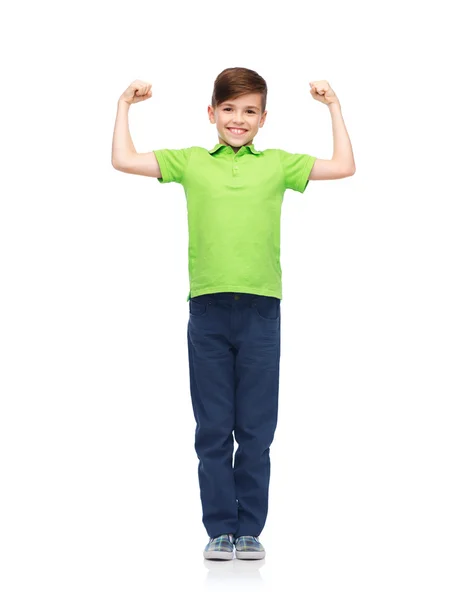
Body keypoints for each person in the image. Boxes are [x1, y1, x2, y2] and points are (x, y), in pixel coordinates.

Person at [111, 66, 355, 561]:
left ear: (264, 118)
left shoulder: (278, 165)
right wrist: (124, 105)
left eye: (249, 111)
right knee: (214, 428)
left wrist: (333, 106)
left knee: (258, 428)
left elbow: (344, 166)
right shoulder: (192, 161)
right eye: (228, 109)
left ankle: (250, 531)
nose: (238, 120)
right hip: (208, 309)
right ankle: (220, 528)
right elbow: (122, 159)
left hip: (263, 309)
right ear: (211, 113)